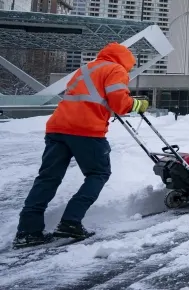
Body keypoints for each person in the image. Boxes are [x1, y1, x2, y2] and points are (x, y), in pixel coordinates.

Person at [13, 42, 150, 249]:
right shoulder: (116, 69)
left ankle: (28, 232)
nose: (128, 71)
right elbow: (120, 104)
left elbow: (90, 98)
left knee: (48, 178)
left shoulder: (86, 68)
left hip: (58, 128)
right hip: (86, 131)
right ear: (126, 61)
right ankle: (70, 221)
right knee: (98, 174)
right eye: (130, 67)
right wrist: (140, 104)